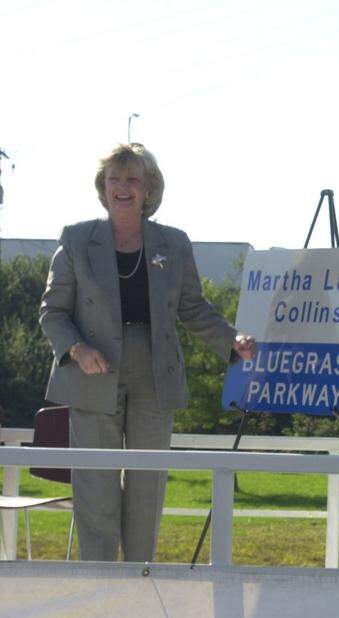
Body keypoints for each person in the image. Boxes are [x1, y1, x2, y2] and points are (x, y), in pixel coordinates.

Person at [39, 143, 256, 562]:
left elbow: (192, 308)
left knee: (146, 487)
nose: (122, 187)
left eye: (132, 179)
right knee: (96, 490)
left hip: (155, 372)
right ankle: (101, 591)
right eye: (114, 179)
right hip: (92, 371)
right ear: (103, 187)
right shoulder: (76, 238)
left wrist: (231, 338)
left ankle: (141, 584)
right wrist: (77, 349)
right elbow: (52, 312)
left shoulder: (173, 243)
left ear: (148, 189)